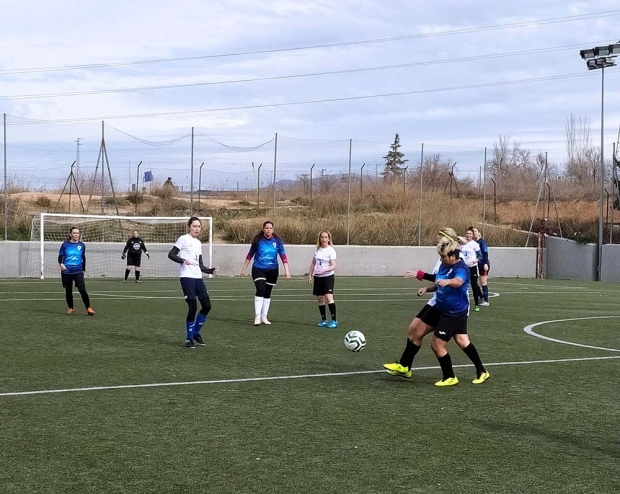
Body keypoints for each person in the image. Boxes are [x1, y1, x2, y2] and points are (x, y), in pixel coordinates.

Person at [383, 227, 461, 378]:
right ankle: (405, 366)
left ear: (447, 239)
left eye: (439, 238)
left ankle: (408, 366)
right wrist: (427, 287)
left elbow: (441, 278)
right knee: (414, 328)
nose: (436, 241)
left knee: (457, 341)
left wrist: (419, 274)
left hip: (445, 304)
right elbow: (438, 278)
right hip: (437, 299)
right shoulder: (443, 255)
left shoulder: (454, 257)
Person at [422, 237, 490, 386]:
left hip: (454, 313)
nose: (441, 259)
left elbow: (458, 281)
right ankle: (482, 371)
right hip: (443, 309)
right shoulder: (443, 265)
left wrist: (448, 282)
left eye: (444, 256)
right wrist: (427, 288)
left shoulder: (462, 268)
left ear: (453, 256)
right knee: (462, 341)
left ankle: (449, 377)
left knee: (436, 344)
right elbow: (439, 281)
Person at [168, 217, 217, 348]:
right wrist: (182, 260)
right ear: (189, 226)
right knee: (193, 307)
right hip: (187, 277)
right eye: (194, 226)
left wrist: (210, 270)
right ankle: (189, 339)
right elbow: (171, 254)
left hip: (197, 277)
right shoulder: (183, 239)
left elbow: (200, 265)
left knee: (207, 306)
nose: (197, 229)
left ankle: (195, 333)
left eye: (199, 227)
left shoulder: (198, 243)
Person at [240, 220, 291, 326]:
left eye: (270, 228)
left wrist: (287, 270)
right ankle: (257, 317)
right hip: (259, 269)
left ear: (273, 230)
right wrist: (244, 269)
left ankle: (264, 317)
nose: (268, 230)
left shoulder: (277, 241)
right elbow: (250, 255)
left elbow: (283, 256)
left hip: (272, 270)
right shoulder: (258, 241)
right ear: (263, 229)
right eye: (266, 228)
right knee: (260, 289)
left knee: (267, 292)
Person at [58, 227, 95, 316]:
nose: (76, 235)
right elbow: (60, 256)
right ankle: (71, 308)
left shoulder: (82, 245)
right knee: (68, 290)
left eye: (78, 233)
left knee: (82, 289)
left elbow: (83, 257)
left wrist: (83, 269)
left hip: (78, 271)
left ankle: (88, 308)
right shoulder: (65, 245)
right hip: (67, 271)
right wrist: (61, 264)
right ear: (70, 234)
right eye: (74, 233)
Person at [308, 231, 338, 328]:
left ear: (329, 239)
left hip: (328, 277)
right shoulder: (317, 250)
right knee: (320, 299)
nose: (324, 239)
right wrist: (310, 274)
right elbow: (313, 263)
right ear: (319, 239)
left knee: (329, 297)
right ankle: (323, 320)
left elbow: (333, 266)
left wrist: (324, 271)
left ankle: (334, 320)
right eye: (322, 237)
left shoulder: (331, 250)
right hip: (318, 278)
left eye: (326, 237)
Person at [460, 227, 483, 311]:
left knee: (474, 285)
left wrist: (474, 262)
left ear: (473, 235)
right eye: (467, 233)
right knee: (461, 284)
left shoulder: (475, 244)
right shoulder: (462, 244)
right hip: (463, 268)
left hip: (472, 267)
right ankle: (462, 303)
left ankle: (476, 304)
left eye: (470, 234)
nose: (468, 235)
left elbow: (480, 256)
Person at [472, 227, 490, 306]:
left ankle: (486, 300)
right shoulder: (472, 243)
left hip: (482, 264)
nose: (474, 233)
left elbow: (485, 253)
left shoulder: (482, 242)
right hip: (475, 265)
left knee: (483, 282)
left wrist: (485, 263)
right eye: (473, 231)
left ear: (478, 232)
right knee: (473, 282)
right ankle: (481, 296)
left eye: (476, 231)